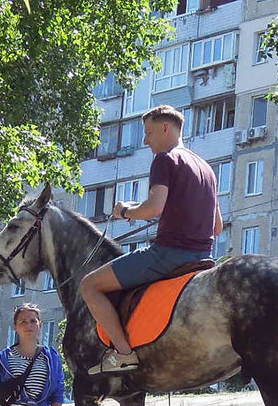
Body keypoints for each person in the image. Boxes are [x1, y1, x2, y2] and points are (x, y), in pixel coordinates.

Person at [80, 104, 221, 374]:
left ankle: (122, 353)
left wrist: (125, 211)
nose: (145, 141)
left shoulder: (165, 160)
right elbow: (217, 227)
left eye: (148, 132)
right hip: (205, 258)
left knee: (90, 285)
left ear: (166, 128)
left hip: (168, 254)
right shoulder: (207, 169)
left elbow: (154, 208)